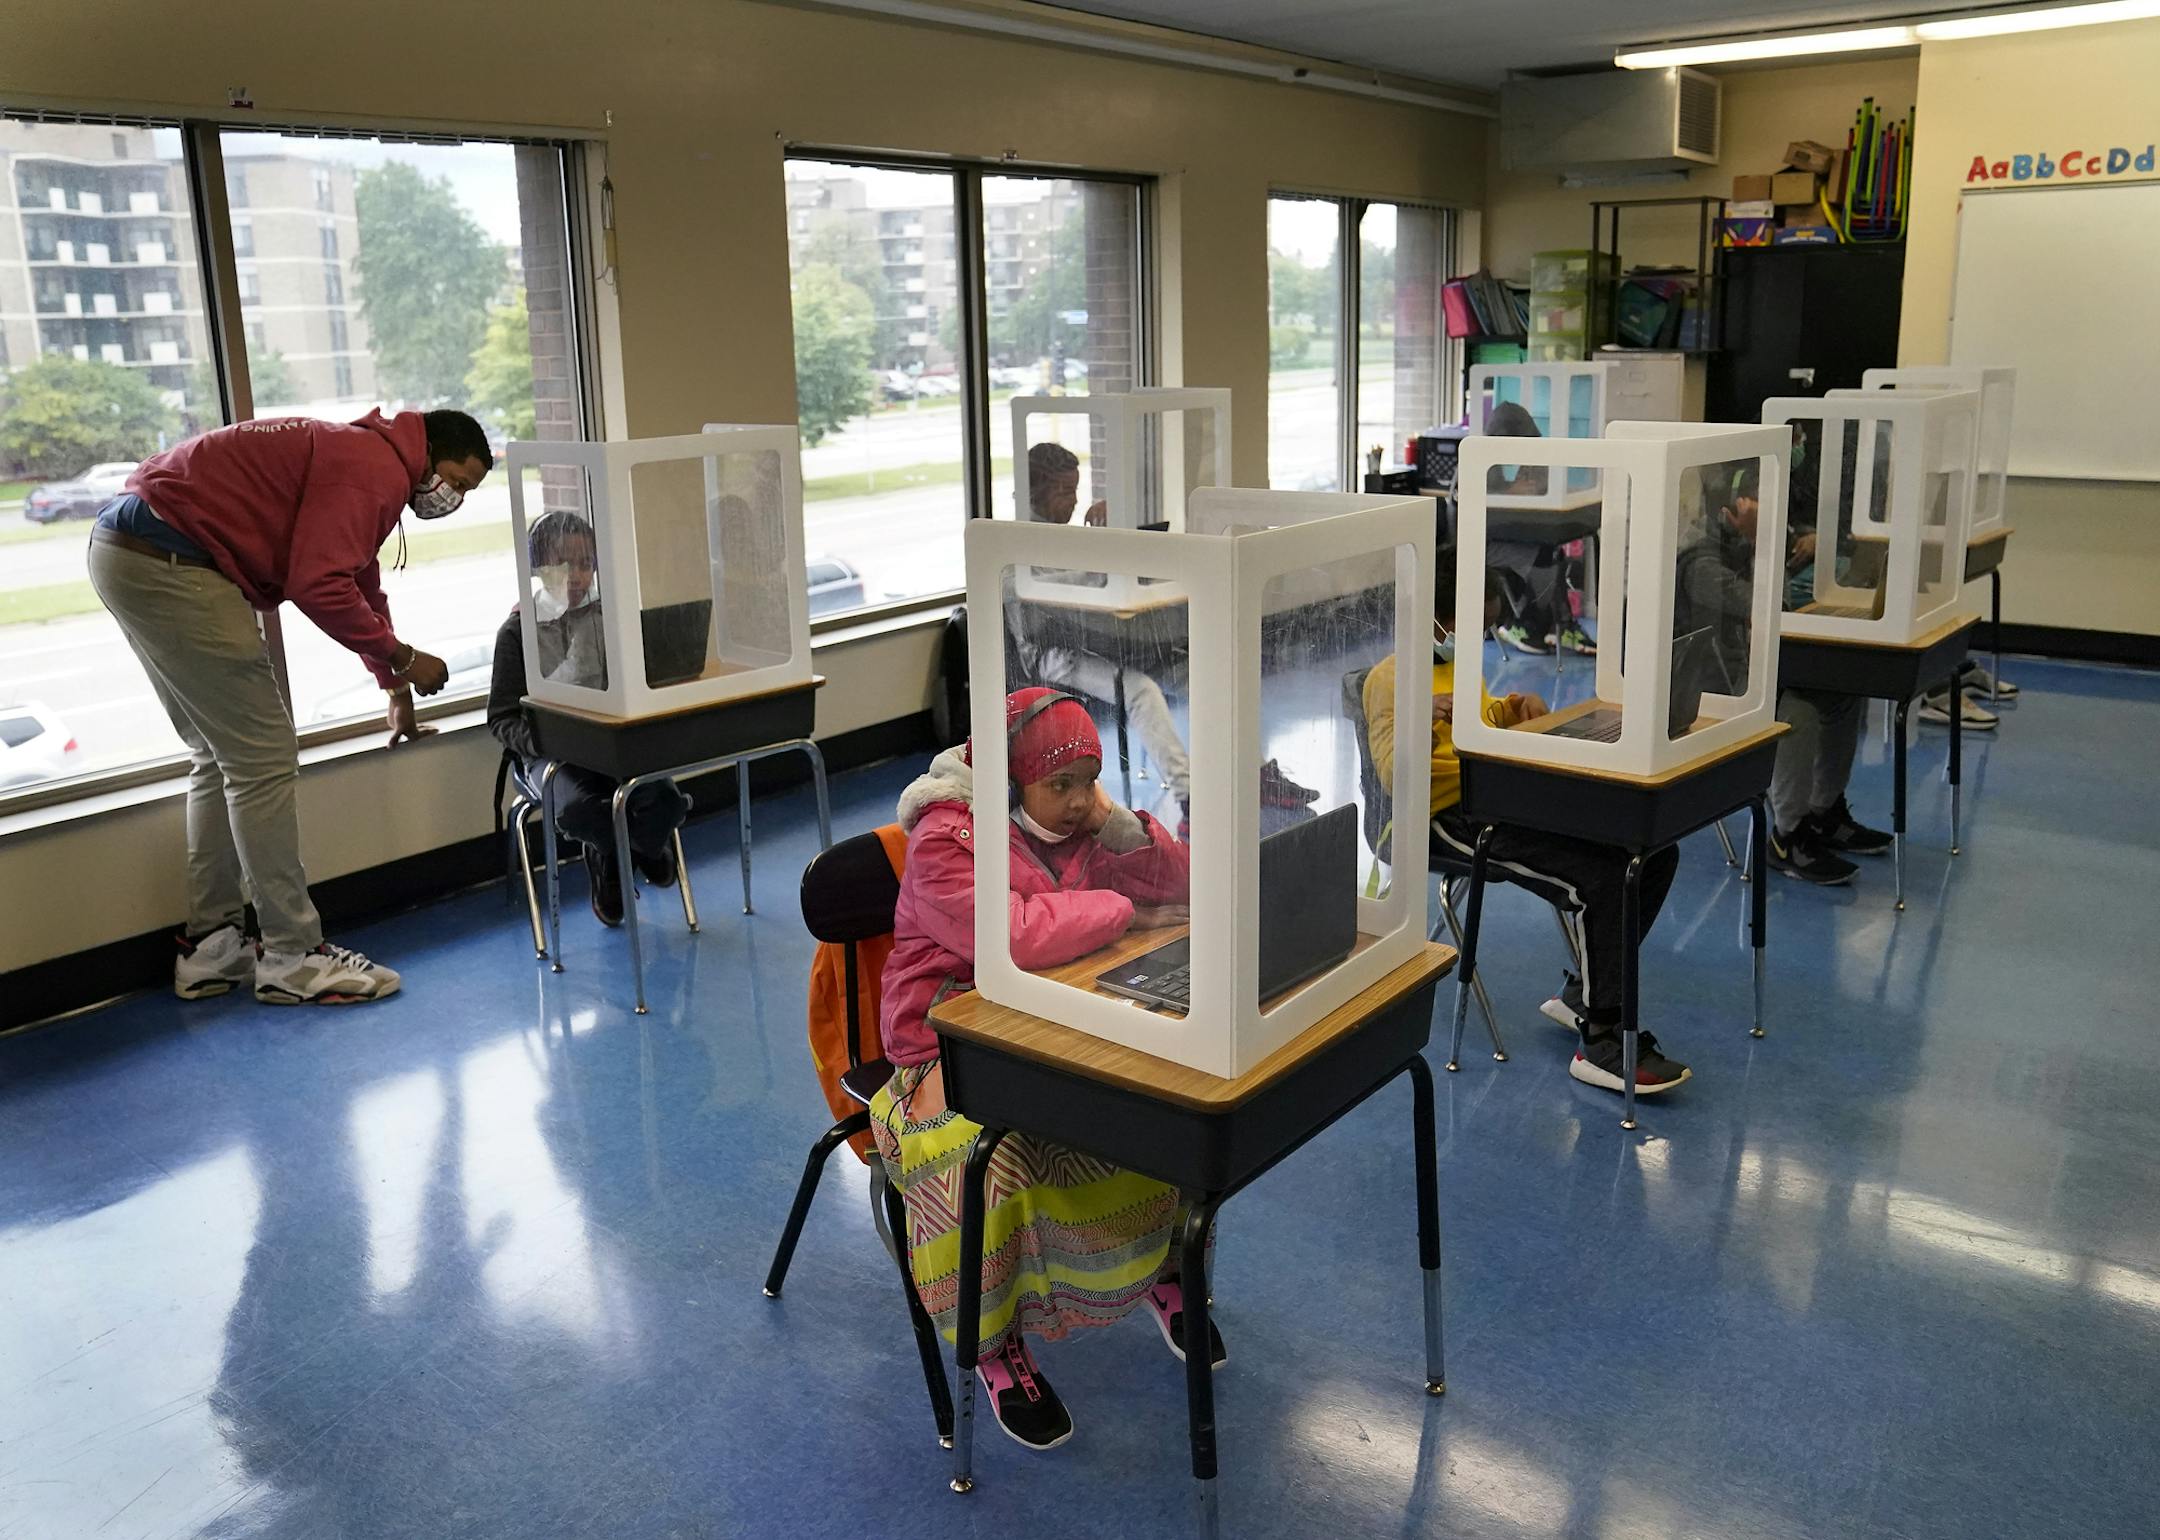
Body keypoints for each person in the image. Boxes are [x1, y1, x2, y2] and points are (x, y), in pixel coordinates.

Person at [871, 687, 1216, 1452]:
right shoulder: (946, 839)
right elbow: (1014, 936)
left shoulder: (1074, 821)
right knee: (987, 1166)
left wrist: (1120, 827)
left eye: (1090, 781)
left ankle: (1163, 1270)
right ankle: (994, 1341)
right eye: (1061, 784)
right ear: (1007, 781)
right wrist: (1115, 910)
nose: (1079, 800)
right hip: (940, 1041)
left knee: (1169, 1105)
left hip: (1053, 1025)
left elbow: (1188, 884)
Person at [87, 407, 494, 1006]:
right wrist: (405, 657)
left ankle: (211, 947)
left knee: (220, 755)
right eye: (456, 481)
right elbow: (318, 583)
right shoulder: (376, 471)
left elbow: (362, 583)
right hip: (172, 559)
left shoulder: (367, 453)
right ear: (431, 453)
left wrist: (394, 688)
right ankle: (292, 956)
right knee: (263, 759)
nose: (450, 498)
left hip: (129, 548)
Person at [1363, 562, 1689, 1095]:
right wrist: (1423, 716)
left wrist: (1514, 710)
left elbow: (1479, 726)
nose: (1481, 637)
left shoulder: (1460, 667)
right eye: (1474, 626)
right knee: (1599, 879)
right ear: (1438, 619)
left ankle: (1585, 992)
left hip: (1496, 801)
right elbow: (1394, 775)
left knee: (1651, 854)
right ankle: (1602, 1039)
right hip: (1437, 819)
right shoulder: (1389, 679)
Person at [1677, 464, 1893, 886]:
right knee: (1798, 712)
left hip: (1754, 668)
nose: (1767, 510)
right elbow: (1769, 604)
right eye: (1756, 501)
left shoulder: (1739, 545)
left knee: (1842, 693)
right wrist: (1766, 542)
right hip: (1710, 688)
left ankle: (1824, 810)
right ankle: (1787, 836)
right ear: (1731, 510)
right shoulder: (1700, 563)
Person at [487, 510, 691, 926]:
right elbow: (502, 717)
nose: (576, 576)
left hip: (612, 742)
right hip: (551, 753)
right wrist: (543, 739)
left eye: (585, 564)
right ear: (538, 568)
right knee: (581, 810)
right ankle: (618, 858)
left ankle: (632, 850)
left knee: (666, 800)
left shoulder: (607, 617)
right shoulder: (518, 630)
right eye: (563, 565)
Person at [1010, 441, 1192, 816]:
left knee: (1197, 677)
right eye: (1064, 492)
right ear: (1035, 492)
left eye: (1075, 490)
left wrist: (1109, 534)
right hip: (1053, 654)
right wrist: (1099, 554)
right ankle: (1188, 795)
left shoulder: (1063, 533)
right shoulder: (1013, 540)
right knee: (1140, 691)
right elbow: (1048, 594)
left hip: (1098, 638)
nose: (1074, 501)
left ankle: (1254, 775)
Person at [1481, 401, 1595, 658]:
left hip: (1499, 535)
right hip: (1478, 543)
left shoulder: (1495, 463)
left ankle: (1558, 624)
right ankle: (1522, 624)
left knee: (1550, 551)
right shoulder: (1477, 460)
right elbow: (1481, 503)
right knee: (1542, 555)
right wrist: (1514, 491)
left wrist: (1536, 485)